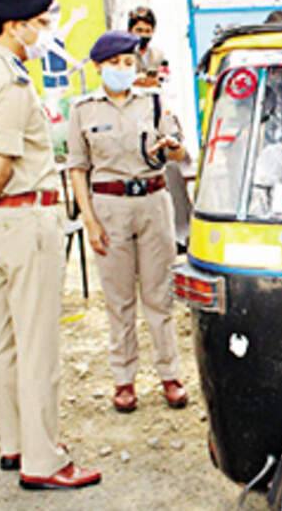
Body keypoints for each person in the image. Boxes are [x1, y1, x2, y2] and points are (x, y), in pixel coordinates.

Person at [0, 0, 101, 490]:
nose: (45, 33)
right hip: (23, 216)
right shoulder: (11, 83)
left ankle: (14, 442)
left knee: (8, 340)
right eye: (40, 24)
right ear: (15, 27)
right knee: (38, 346)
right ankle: (44, 460)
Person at [66, 30, 190, 413]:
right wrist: (89, 221)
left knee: (159, 296)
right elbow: (77, 168)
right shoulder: (83, 110)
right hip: (109, 206)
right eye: (114, 63)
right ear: (98, 67)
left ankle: (170, 375)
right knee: (119, 300)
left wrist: (172, 147)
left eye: (128, 63)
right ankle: (123, 380)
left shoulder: (154, 102)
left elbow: (179, 153)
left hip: (153, 202)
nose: (122, 69)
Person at [127, 6, 165, 87]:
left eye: (147, 31)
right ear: (129, 30)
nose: (143, 35)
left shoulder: (159, 55)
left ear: (153, 31)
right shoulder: (123, 56)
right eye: (139, 30)